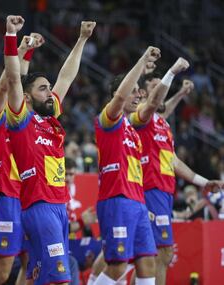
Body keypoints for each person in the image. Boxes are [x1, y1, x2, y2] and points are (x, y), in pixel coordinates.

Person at [3, 15, 96, 285]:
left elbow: (66, 77)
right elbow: (12, 77)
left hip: (58, 207)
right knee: (60, 280)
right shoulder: (21, 119)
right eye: (43, 89)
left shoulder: (50, 118)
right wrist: (11, 35)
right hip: (40, 207)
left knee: (40, 278)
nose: (50, 92)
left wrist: (81, 39)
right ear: (28, 97)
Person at [133, 65, 224, 285]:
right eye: (156, 87)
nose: (162, 91)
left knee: (156, 255)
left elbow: (173, 161)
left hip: (165, 192)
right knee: (158, 254)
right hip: (150, 189)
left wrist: (204, 182)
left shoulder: (162, 125)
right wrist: (172, 72)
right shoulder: (141, 118)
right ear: (145, 93)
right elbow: (156, 104)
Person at [93, 46, 162, 285]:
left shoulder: (133, 129)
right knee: (118, 265)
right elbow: (121, 98)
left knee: (147, 263)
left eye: (138, 92)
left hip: (137, 202)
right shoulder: (108, 120)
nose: (138, 95)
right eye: (132, 92)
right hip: (116, 199)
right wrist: (142, 60)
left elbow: (152, 104)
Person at [0, 32, 44, 285]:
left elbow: (19, 81)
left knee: (30, 265)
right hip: (6, 197)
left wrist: (28, 51)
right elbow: (8, 82)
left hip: (28, 198)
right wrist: (18, 45)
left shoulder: (24, 122)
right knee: (2, 270)